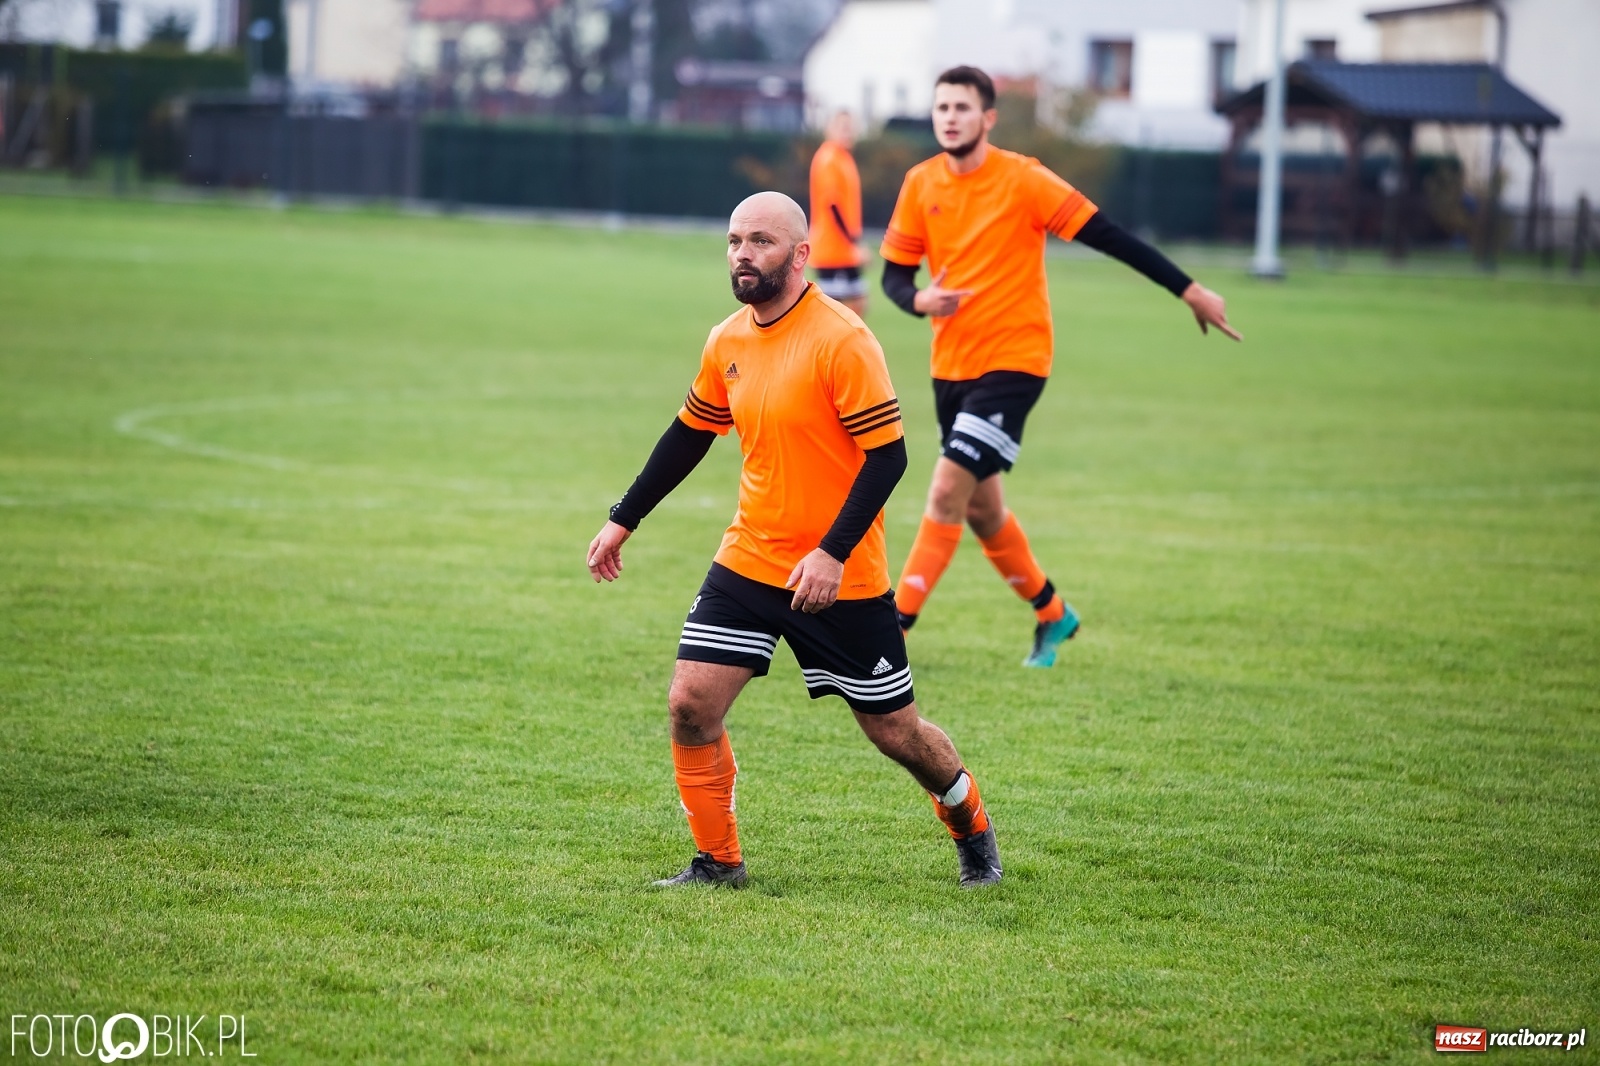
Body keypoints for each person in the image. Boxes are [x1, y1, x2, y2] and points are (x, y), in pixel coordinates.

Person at [586, 191, 1003, 889]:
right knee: (690, 704)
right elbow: (692, 432)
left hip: (839, 576)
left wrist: (832, 552)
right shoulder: (727, 339)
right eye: (733, 241)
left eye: (761, 242)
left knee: (897, 735)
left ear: (800, 254)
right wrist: (624, 517)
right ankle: (718, 864)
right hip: (749, 559)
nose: (743, 255)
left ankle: (971, 825)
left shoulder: (842, 339)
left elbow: (889, 457)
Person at [880, 65, 1241, 668]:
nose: (949, 116)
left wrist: (1189, 290)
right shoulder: (920, 184)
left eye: (962, 107)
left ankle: (890, 636)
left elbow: (1112, 236)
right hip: (951, 368)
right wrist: (919, 300)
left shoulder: (1023, 179)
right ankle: (1053, 614)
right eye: (941, 107)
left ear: (987, 117)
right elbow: (894, 276)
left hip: (1015, 363)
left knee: (945, 491)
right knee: (981, 508)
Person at [808, 110, 868, 315]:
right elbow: (832, 205)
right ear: (829, 129)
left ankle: (848, 347)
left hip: (844, 250)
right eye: (842, 127)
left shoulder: (844, 158)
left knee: (857, 303)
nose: (847, 132)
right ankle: (826, 347)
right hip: (832, 249)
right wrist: (854, 243)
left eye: (850, 127)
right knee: (834, 311)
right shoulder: (829, 159)